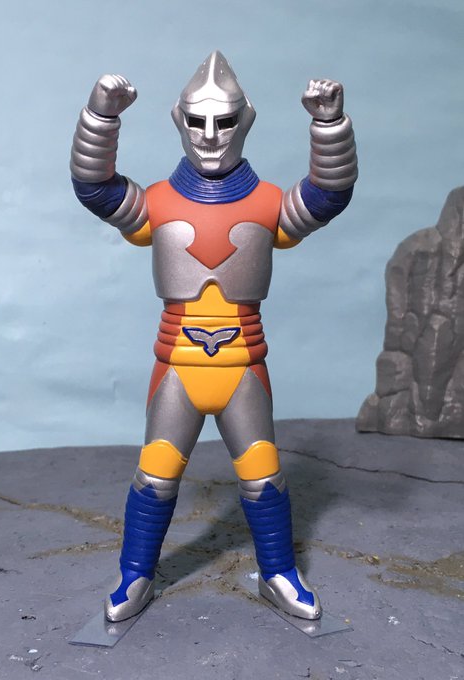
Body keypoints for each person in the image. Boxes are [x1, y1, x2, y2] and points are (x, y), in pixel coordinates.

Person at [70, 51, 357, 622]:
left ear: (245, 120)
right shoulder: (158, 202)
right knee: (155, 476)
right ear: (178, 120)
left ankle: (278, 573)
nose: (209, 135)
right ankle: (134, 575)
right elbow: (94, 187)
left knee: (263, 476)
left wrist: (329, 125)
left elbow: (329, 195)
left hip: (243, 369)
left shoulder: (267, 203)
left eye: (223, 121)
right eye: (198, 121)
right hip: (176, 369)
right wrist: (101, 116)